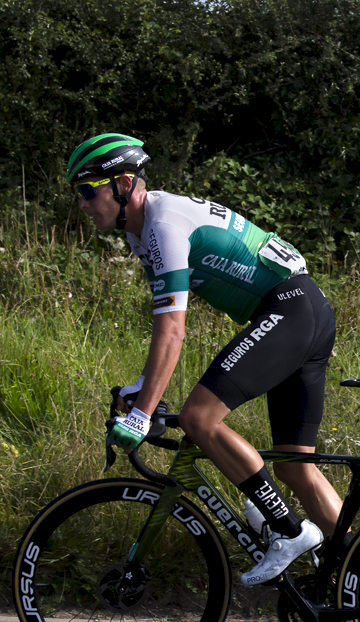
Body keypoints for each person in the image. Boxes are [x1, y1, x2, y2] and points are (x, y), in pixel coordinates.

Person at [67, 132, 344, 586]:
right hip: (304, 310)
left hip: (290, 309)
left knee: (199, 418)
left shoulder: (162, 225)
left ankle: (289, 532)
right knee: (295, 467)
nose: (81, 203)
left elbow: (173, 330)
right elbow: (167, 326)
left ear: (122, 184)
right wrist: (144, 390)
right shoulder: (144, 231)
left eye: (87, 190)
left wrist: (140, 416)